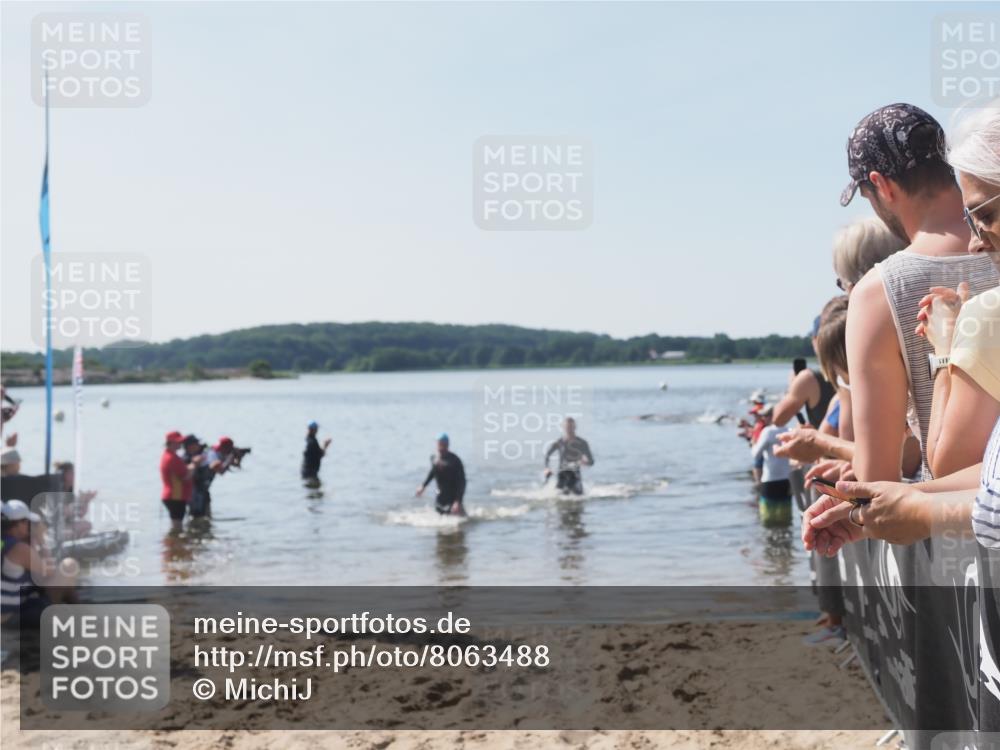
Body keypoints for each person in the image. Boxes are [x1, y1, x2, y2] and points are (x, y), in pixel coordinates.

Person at [840, 103, 998, 483]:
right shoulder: (990, 247)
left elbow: (877, 475)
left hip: (950, 532)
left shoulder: (879, 293)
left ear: (881, 185)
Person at [1, 499, 75, 629]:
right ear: (18, 524)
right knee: (68, 567)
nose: (29, 526)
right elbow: (49, 571)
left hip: (11, 608)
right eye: (27, 522)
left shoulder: (5, 542)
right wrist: (42, 539)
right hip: (9, 617)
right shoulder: (19, 548)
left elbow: (37, 576)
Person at [750, 405, 792, 526]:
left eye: (765, 416)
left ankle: (771, 544)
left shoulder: (767, 432)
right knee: (785, 517)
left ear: (771, 417)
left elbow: (755, 455)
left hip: (770, 479)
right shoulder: (788, 430)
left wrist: (753, 442)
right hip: (786, 479)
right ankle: (785, 543)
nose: (763, 418)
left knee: (768, 518)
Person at [415, 433, 466, 516]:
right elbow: (433, 472)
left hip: (453, 496)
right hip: (440, 496)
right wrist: (423, 486)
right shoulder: (434, 458)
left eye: (442, 443)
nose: (440, 446)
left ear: (447, 444)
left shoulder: (455, 460)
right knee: (440, 520)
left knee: (461, 522)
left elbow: (462, 482)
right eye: (438, 443)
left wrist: (458, 501)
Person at [543, 417, 595, 495]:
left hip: (575, 474)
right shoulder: (559, 442)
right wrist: (547, 468)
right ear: (563, 428)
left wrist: (585, 462)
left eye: (571, 427)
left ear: (575, 427)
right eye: (567, 427)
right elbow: (547, 455)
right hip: (562, 473)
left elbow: (591, 461)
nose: (569, 430)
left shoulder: (582, 443)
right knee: (559, 496)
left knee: (579, 496)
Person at [160, 431, 195, 529]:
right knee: (177, 526)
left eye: (181, 441)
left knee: (176, 526)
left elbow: (181, 472)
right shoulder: (172, 458)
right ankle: (174, 543)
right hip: (175, 496)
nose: (180, 444)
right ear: (170, 443)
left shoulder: (168, 455)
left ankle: (175, 543)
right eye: (178, 442)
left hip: (173, 496)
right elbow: (185, 477)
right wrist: (194, 465)